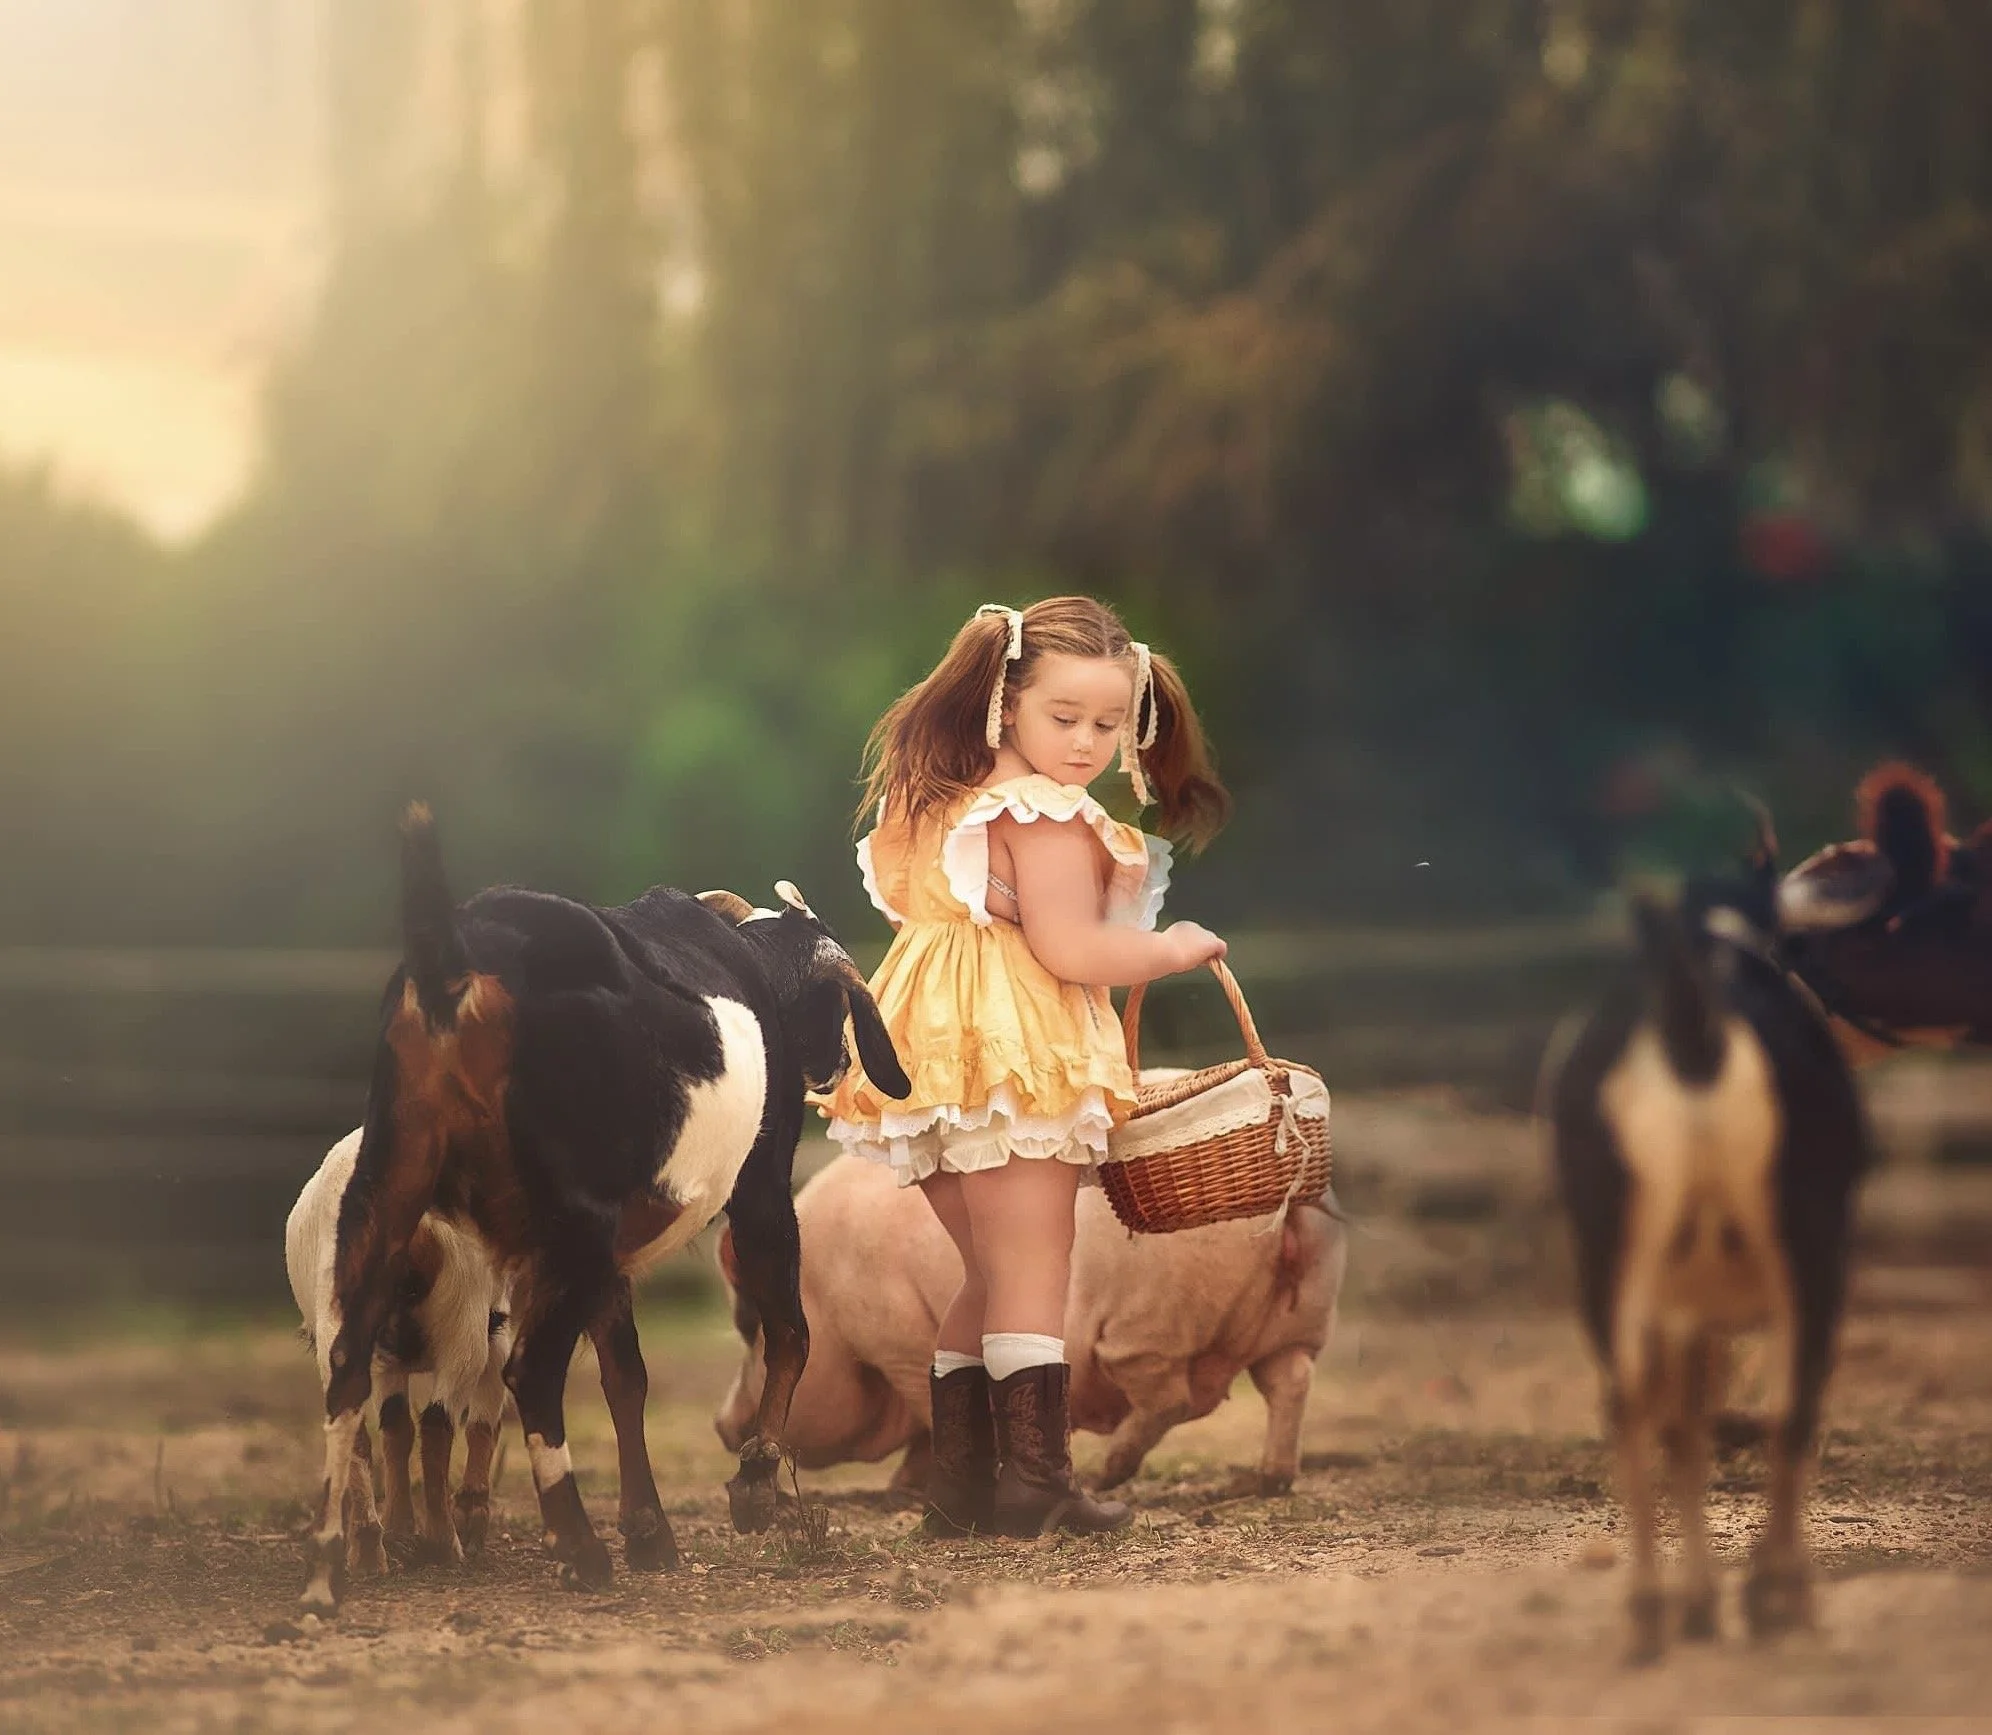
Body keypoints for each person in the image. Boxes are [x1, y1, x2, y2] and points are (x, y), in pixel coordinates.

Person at [818, 596, 1231, 1537]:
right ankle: (1037, 1484)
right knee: (1037, 1265)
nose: (1086, 744)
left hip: (932, 1053)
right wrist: (1174, 949)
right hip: (1011, 1052)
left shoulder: (936, 792)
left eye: (1107, 724)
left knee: (984, 1272)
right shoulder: (1040, 810)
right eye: (1065, 717)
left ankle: (963, 1488)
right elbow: (1073, 947)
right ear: (1008, 702)